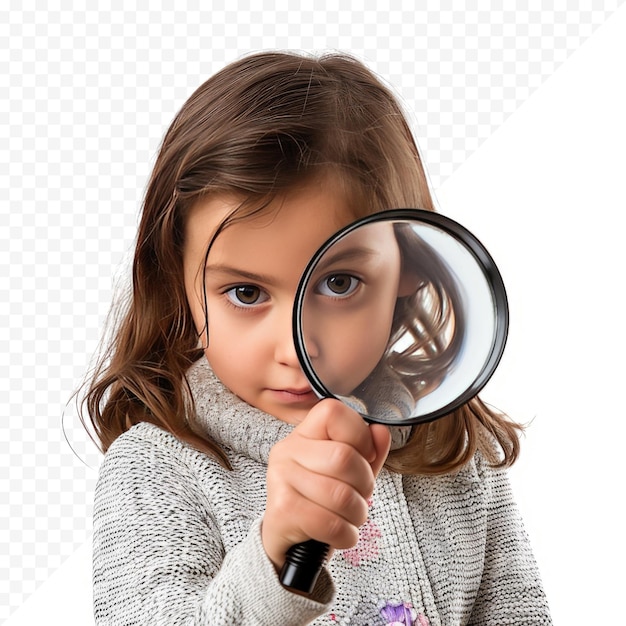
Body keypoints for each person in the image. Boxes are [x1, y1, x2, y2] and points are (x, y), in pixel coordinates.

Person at [83, 51, 552, 625]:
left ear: (409, 265)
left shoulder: (453, 447)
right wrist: (276, 561)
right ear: (178, 284)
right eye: (247, 294)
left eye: (338, 282)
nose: (293, 349)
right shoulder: (156, 470)